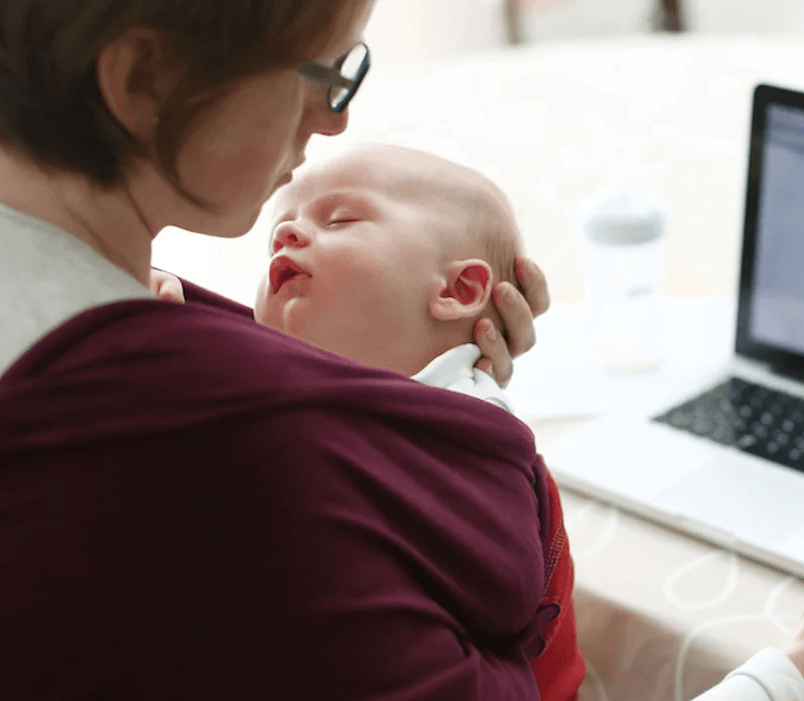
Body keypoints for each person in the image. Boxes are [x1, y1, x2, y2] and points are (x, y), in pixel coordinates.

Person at [0, 2, 804, 700]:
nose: (335, 114)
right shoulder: (246, 451)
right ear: (139, 78)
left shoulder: (131, 342)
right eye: (319, 69)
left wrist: (393, 397)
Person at [154, 142, 587, 701]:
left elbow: (502, 582)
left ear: (458, 290)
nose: (286, 236)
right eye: (277, 234)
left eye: (340, 219)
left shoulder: (468, 423)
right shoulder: (268, 386)